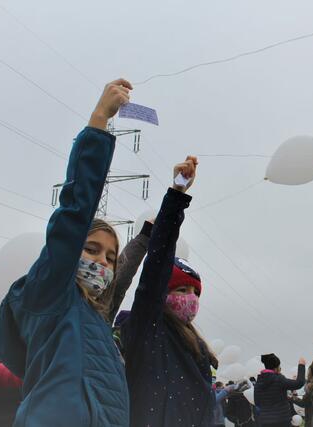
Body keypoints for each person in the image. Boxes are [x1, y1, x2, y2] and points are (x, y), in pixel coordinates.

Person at [0, 79, 132, 427]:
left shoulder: (98, 323)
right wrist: (99, 121)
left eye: (110, 258)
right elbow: (74, 213)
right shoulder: (50, 294)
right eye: (91, 249)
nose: (102, 261)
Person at [120, 155, 222, 426]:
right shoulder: (147, 326)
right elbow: (158, 258)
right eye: (181, 289)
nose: (189, 298)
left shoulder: (197, 346)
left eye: (195, 292)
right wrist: (176, 194)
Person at [254, 353, 306, 427]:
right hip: (281, 420)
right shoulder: (279, 379)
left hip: (265, 422)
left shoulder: (259, 381)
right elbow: (299, 383)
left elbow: (257, 402)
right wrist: (301, 365)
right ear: (276, 367)